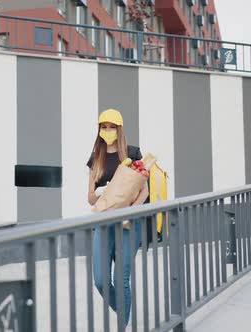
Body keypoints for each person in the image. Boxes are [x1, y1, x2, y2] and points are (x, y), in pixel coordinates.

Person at [87, 109, 149, 327]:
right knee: (100, 280)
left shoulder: (132, 154)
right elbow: (90, 198)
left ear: (119, 129)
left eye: (112, 127)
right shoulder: (96, 159)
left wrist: (129, 211)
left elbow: (145, 191)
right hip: (103, 223)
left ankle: (123, 325)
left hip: (129, 223)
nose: (108, 131)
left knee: (121, 279)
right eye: (104, 127)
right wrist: (102, 195)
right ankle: (124, 313)